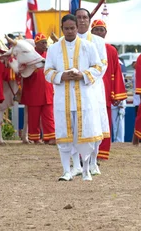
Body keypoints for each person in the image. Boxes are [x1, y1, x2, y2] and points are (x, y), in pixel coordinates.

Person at [44, 14, 105, 181]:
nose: (70, 31)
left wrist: (83, 75)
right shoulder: (53, 48)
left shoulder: (88, 46)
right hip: (62, 99)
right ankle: (66, 170)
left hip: (84, 98)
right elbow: (47, 71)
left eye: (72, 28)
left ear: (77, 28)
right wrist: (61, 76)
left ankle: (85, 170)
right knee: (64, 134)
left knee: (84, 134)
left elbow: (99, 67)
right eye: (66, 28)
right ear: (62, 29)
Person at [74, 8, 108, 176]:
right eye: (78, 17)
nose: (82, 20)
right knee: (74, 125)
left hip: (93, 88)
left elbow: (102, 65)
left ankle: (94, 162)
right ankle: (76, 163)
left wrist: (84, 76)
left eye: (85, 17)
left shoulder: (98, 41)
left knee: (95, 125)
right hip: (72, 89)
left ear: (89, 20)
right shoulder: (64, 41)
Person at [91, 20, 127, 160]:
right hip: (89, 89)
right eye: (96, 30)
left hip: (105, 92)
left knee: (104, 123)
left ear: (105, 32)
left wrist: (117, 94)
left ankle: (102, 152)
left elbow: (116, 72)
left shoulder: (111, 50)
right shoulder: (86, 46)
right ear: (91, 32)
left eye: (101, 30)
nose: (99, 32)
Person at [20, 33, 55, 144]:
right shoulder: (29, 55)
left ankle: (50, 137)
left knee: (48, 115)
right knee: (33, 116)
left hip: (47, 89)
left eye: (46, 42)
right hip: (33, 90)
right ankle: (35, 138)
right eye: (43, 43)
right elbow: (23, 71)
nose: (45, 45)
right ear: (37, 44)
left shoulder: (49, 55)